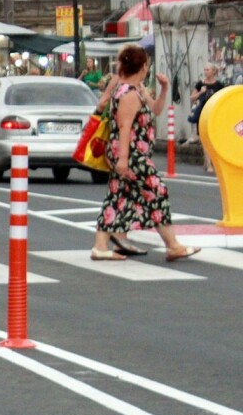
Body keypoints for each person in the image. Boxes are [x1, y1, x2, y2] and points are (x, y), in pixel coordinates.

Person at [90, 45, 198, 263]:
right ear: (143, 66)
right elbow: (124, 127)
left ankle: (100, 247)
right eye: (146, 63)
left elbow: (156, 110)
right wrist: (122, 159)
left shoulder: (136, 88)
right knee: (157, 191)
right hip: (131, 155)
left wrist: (165, 88)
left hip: (128, 153)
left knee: (117, 196)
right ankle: (173, 245)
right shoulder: (128, 94)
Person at [189, 64, 224, 174]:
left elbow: (223, 98)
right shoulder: (200, 84)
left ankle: (208, 162)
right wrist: (201, 92)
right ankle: (208, 163)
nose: (205, 71)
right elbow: (192, 97)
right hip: (202, 114)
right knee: (204, 139)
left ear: (214, 71)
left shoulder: (219, 85)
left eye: (207, 69)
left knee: (213, 139)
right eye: (204, 69)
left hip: (214, 114)